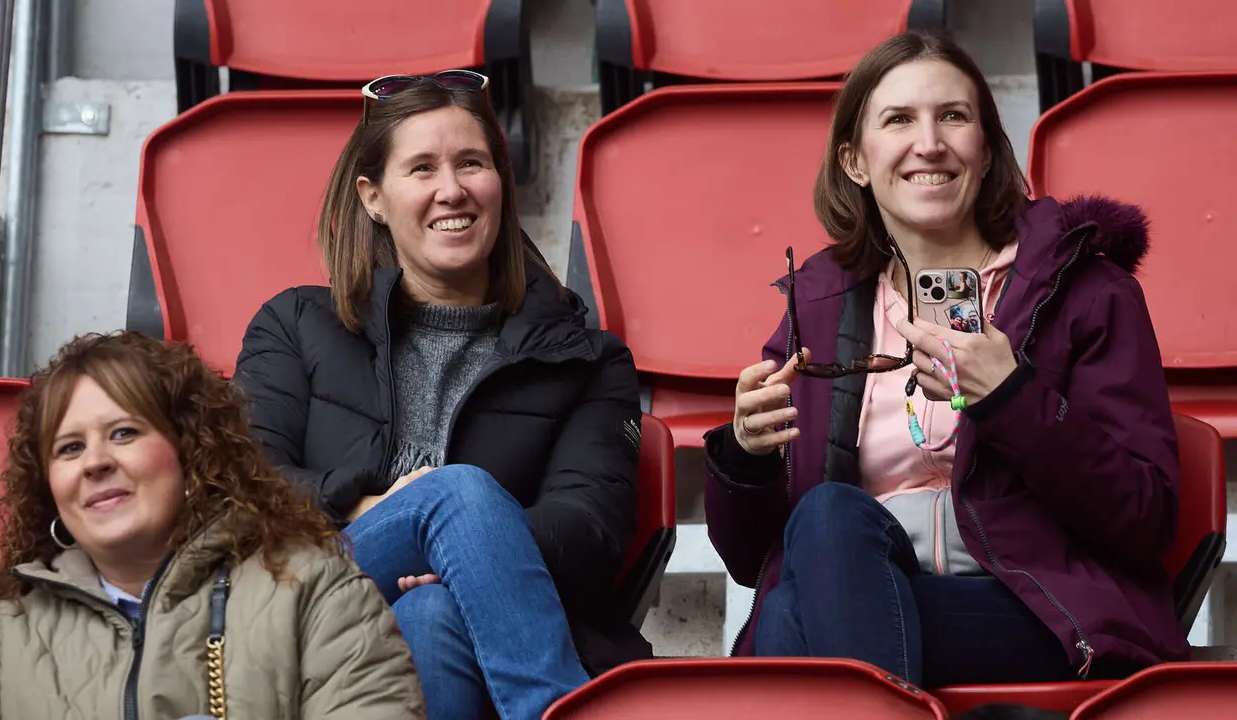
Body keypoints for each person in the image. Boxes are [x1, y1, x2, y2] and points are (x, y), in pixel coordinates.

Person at [705, 31, 1186, 688]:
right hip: (862, 590)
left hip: (1038, 609)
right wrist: (745, 457)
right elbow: (747, 557)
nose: (929, 143)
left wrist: (1013, 399)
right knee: (825, 522)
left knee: (793, 624)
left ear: (985, 151)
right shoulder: (815, 309)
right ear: (855, 161)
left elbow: (1145, 518)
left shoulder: (1087, 293)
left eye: (953, 116)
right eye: (899, 120)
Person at [235, 69, 645, 718]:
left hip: (475, 623)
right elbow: (243, 484)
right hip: (313, 599)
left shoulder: (585, 359)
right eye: (422, 168)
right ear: (373, 197)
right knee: (456, 493)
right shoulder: (294, 325)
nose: (451, 190)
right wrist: (380, 507)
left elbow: (590, 528)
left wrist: (466, 558)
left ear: (500, 182)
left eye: (471, 163)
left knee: (430, 610)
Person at [0, 332, 425, 718]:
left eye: (123, 433)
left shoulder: (315, 591)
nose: (95, 462)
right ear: (49, 486)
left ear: (190, 452)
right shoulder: (3, 638)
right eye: (70, 448)